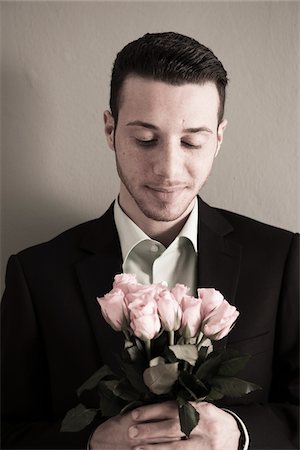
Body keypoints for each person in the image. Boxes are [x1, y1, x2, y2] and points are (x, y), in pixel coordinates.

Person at [1, 31, 299, 450]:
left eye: (191, 141)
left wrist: (240, 434)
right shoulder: (35, 275)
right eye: (145, 140)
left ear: (219, 139)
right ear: (110, 129)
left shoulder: (283, 259)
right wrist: (90, 444)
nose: (168, 170)